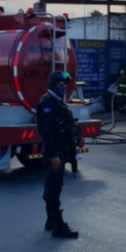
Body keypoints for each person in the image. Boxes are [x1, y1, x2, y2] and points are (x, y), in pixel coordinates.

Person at [37, 71, 79, 238]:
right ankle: (58, 226)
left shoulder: (58, 103)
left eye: (65, 85)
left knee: (55, 186)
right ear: (53, 86)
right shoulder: (47, 104)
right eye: (61, 85)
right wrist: (53, 155)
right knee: (53, 189)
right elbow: (46, 133)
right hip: (54, 153)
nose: (64, 88)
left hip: (60, 151)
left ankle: (50, 220)